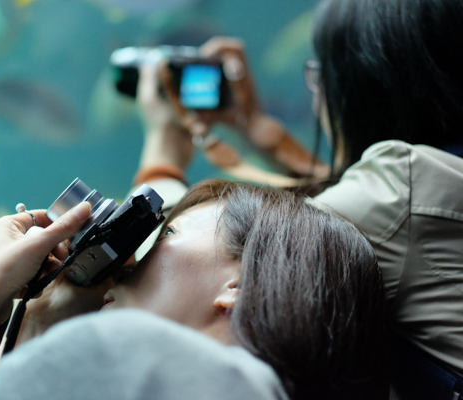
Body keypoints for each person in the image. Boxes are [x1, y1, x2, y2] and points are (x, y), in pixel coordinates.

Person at [131, 0, 463, 398]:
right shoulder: (430, 179)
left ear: (365, 85)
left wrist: (161, 153)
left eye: (320, 73)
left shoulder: (402, 189)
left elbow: (227, 241)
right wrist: (260, 130)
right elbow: (349, 193)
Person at [0, 178, 388, 400]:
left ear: (241, 286)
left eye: (166, 236)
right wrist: (41, 324)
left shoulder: (131, 359)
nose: (128, 264)